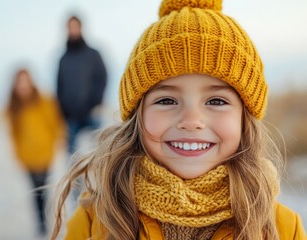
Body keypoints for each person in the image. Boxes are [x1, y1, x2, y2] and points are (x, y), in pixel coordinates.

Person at [50, 0, 307, 239]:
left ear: (244, 118)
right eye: (166, 101)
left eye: (216, 101)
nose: (192, 120)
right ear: (137, 116)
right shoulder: (96, 220)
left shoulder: (281, 228)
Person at [7, 69, 63, 236]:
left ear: (31, 82)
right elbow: (14, 134)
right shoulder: (14, 107)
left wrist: (55, 142)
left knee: (43, 188)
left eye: (25, 81)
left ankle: (45, 220)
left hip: (45, 154)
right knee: (34, 190)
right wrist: (18, 155)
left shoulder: (44, 100)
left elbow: (54, 123)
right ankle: (40, 221)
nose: (23, 85)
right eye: (20, 82)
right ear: (16, 85)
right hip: (27, 157)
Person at [56, 15, 107, 155]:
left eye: (75, 26)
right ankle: (78, 178)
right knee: (71, 155)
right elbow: (59, 86)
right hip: (71, 116)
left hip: (91, 112)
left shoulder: (93, 54)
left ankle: (101, 176)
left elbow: (102, 78)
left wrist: (96, 102)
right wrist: (63, 111)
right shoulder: (63, 59)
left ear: (80, 28)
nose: (73, 30)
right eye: (70, 27)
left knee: (101, 152)